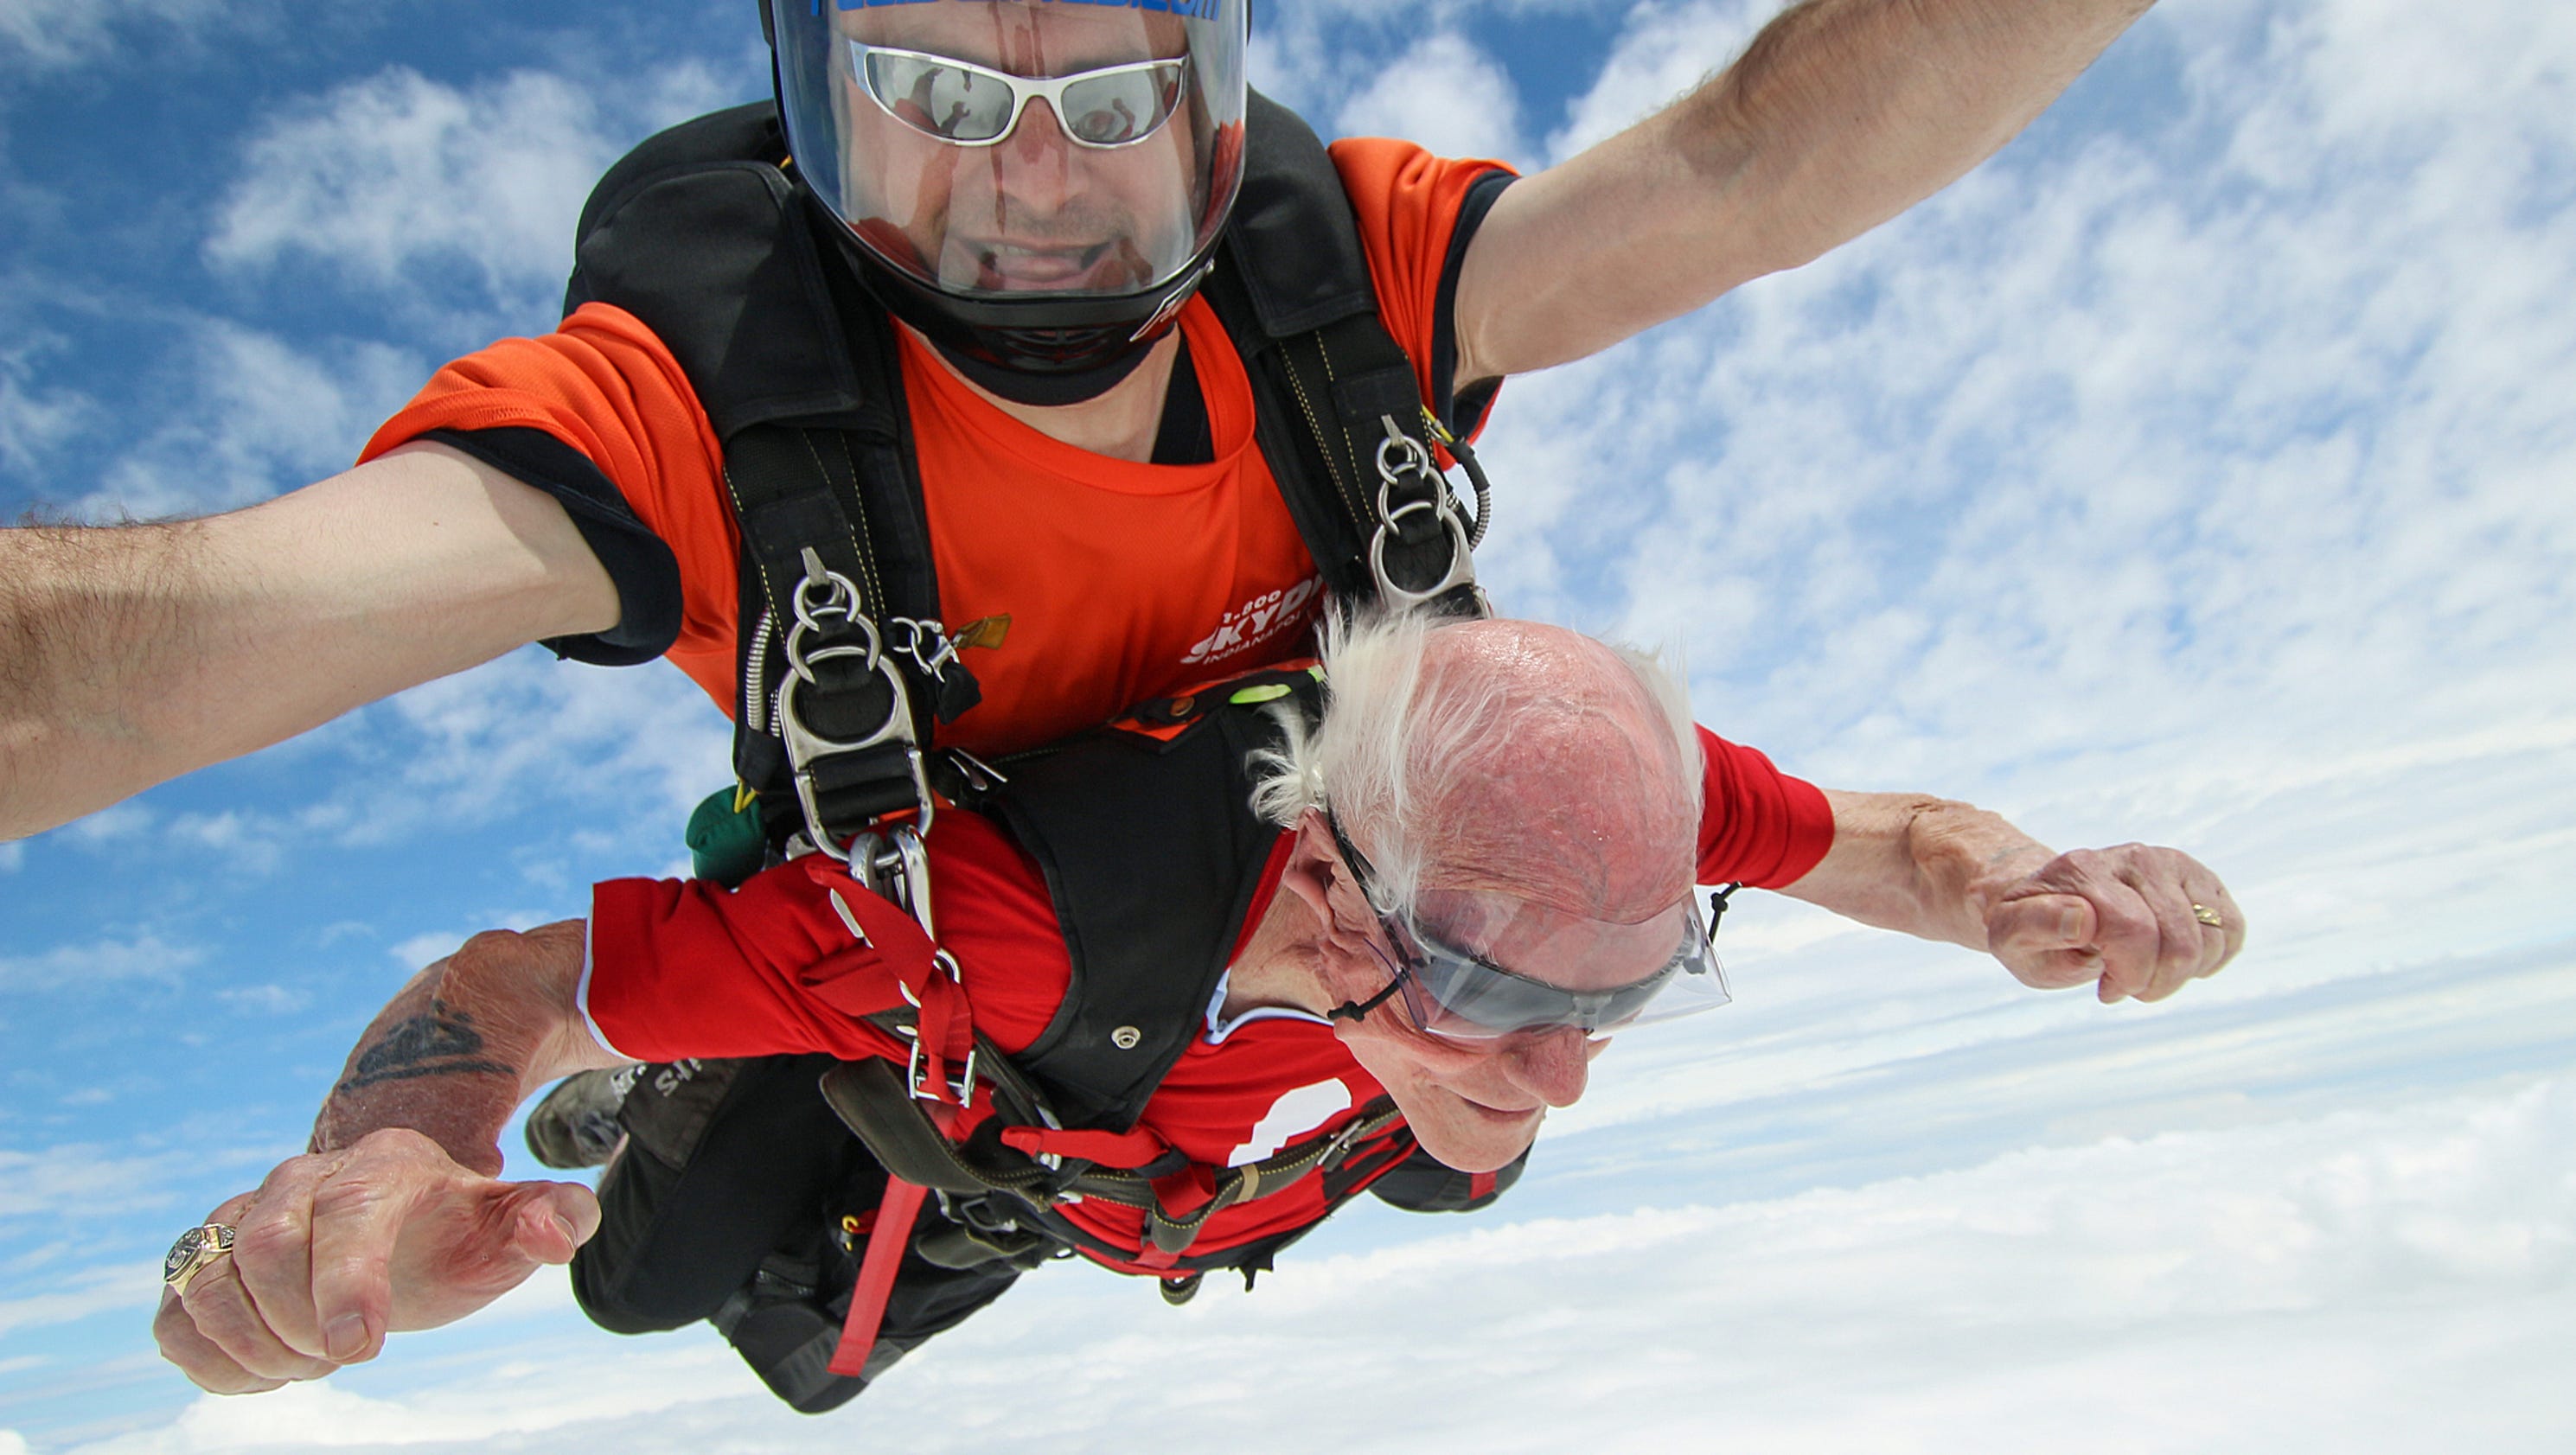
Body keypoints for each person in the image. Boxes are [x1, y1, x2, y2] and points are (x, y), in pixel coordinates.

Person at [0, 0, 2162, 842]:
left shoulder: (1341, 290)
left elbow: (1747, 165)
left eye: (1111, 92)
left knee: (1489, 1059)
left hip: (1311, 952)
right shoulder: (698, 410)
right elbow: (118, 666)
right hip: (961, 1003)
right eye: (934, 87)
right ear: (818, 96)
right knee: (721, 1250)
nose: (1033, 177)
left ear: (1207, 98)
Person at [151, 614, 2243, 1406]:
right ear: (1327, 894)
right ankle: (673, 1095)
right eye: (1502, 987)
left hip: (1131, 1150)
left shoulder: (1589, 808)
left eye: (1627, 989)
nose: (1568, 1068)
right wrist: (392, 1152)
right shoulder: (992, 923)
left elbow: (1881, 835)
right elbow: (513, 981)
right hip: (967, 1071)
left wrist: (2019, 887)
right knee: (657, 1291)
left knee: (1464, 1160)